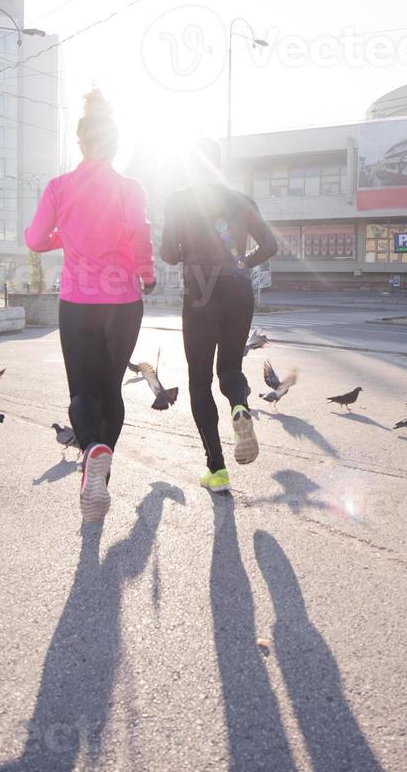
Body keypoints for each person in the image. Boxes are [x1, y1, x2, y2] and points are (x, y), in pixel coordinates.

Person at [25, 89, 155, 523]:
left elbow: (34, 239)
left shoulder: (59, 188)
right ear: (115, 145)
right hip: (123, 303)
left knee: (82, 391)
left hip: (78, 302)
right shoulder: (129, 188)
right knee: (111, 390)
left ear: (79, 143)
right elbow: (139, 234)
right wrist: (148, 273)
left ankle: (90, 456)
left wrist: (64, 235)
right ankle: (100, 471)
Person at [160, 138, 277, 493]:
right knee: (230, 369)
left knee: (199, 381)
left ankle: (217, 469)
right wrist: (241, 262)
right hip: (239, 290)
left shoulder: (179, 199)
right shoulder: (243, 201)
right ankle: (240, 407)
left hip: (200, 291)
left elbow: (167, 253)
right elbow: (270, 246)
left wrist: (183, 247)